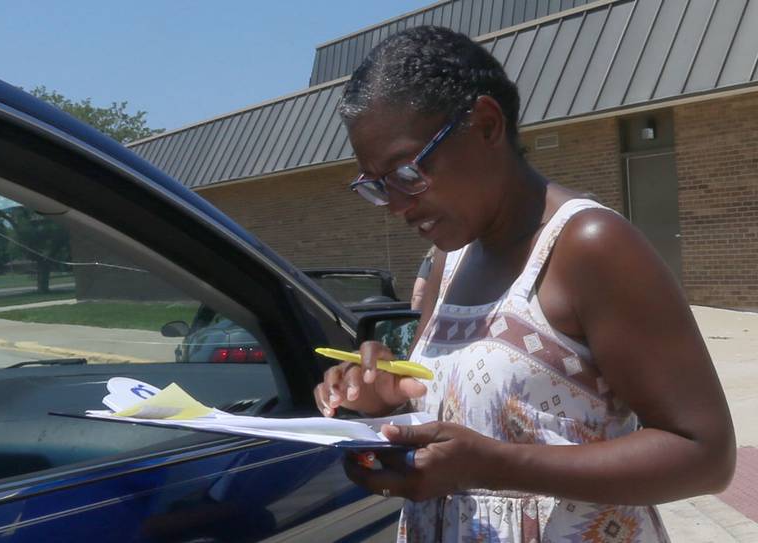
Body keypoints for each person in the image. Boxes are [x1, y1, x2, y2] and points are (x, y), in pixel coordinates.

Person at [313, 26, 736, 542]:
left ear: (487, 125)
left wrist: (492, 466)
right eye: (376, 186)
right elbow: (471, 413)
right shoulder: (451, 258)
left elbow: (704, 454)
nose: (397, 206)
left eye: (406, 173)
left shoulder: (588, 244)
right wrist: (387, 400)